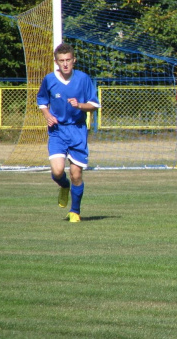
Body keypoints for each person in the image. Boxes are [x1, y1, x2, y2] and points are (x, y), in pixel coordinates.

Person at [37, 43, 100, 223]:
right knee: (57, 171)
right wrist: (47, 115)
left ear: (74, 60)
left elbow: (94, 105)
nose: (65, 64)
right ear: (56, 62)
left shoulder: (83, 79)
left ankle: (75, 211)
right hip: (57, 131)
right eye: (61, 61)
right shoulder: (49, 79)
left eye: (68, 60)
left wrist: (79, 105)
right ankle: (64, 186)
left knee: (76, 174)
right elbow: (41, 100)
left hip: (77, 130)